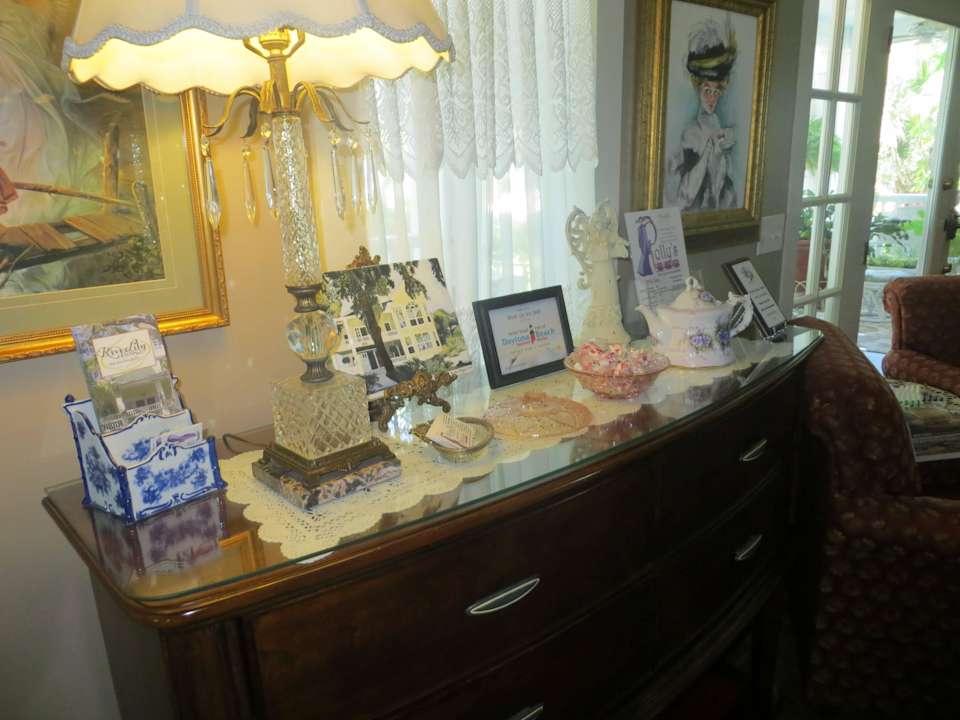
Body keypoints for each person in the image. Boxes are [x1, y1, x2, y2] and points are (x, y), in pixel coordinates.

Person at [668, 18, 739, 212]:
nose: (712, 99)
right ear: (698, 89)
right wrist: (708, 151)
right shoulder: (691, 132)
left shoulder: (721, 129)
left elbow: (726, 188)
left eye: (716, 92)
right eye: (707, 91)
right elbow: (685, 195)